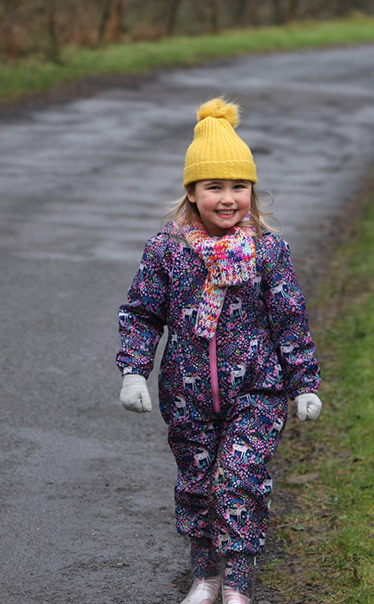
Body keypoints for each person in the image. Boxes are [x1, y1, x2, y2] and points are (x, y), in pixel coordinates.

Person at [116, 97, 322, 604]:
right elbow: (143, 312)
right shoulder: (167, 250)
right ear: (192, 191)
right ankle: (205, 576)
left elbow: (289, 318)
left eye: (239, 186)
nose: (228, 198)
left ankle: (238, 586)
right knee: (197, 481)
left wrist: (303, 384)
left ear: (252, 190)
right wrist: (134, 372)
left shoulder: (267, 251)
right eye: (215, 187)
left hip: (257, 391)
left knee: (238, 477)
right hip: (187, 395)